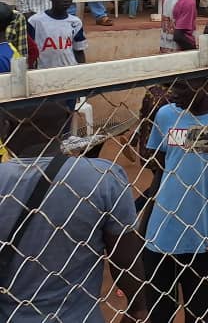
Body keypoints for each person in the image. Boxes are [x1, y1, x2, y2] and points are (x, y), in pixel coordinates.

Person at [0, 101, 148, 322]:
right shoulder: (103, 177)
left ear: (5, 126)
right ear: (68, 123)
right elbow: (125, 258)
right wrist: (138, 308)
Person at [140, 72, 208, 323]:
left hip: (207, 234)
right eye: (170, 87)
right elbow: (160, 172)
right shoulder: (166, 115)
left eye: (181, 87)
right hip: (161, 231)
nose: (173, 94)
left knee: (199, 315)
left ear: (205, 81)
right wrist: (145, 223)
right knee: (159, 314)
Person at [27, 0, 87, 68]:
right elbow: (29, 52)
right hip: (44, 73)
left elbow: (78, 51)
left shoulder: (76, 22)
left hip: (70, 71)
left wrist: (82, 70)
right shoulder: (35, 22)